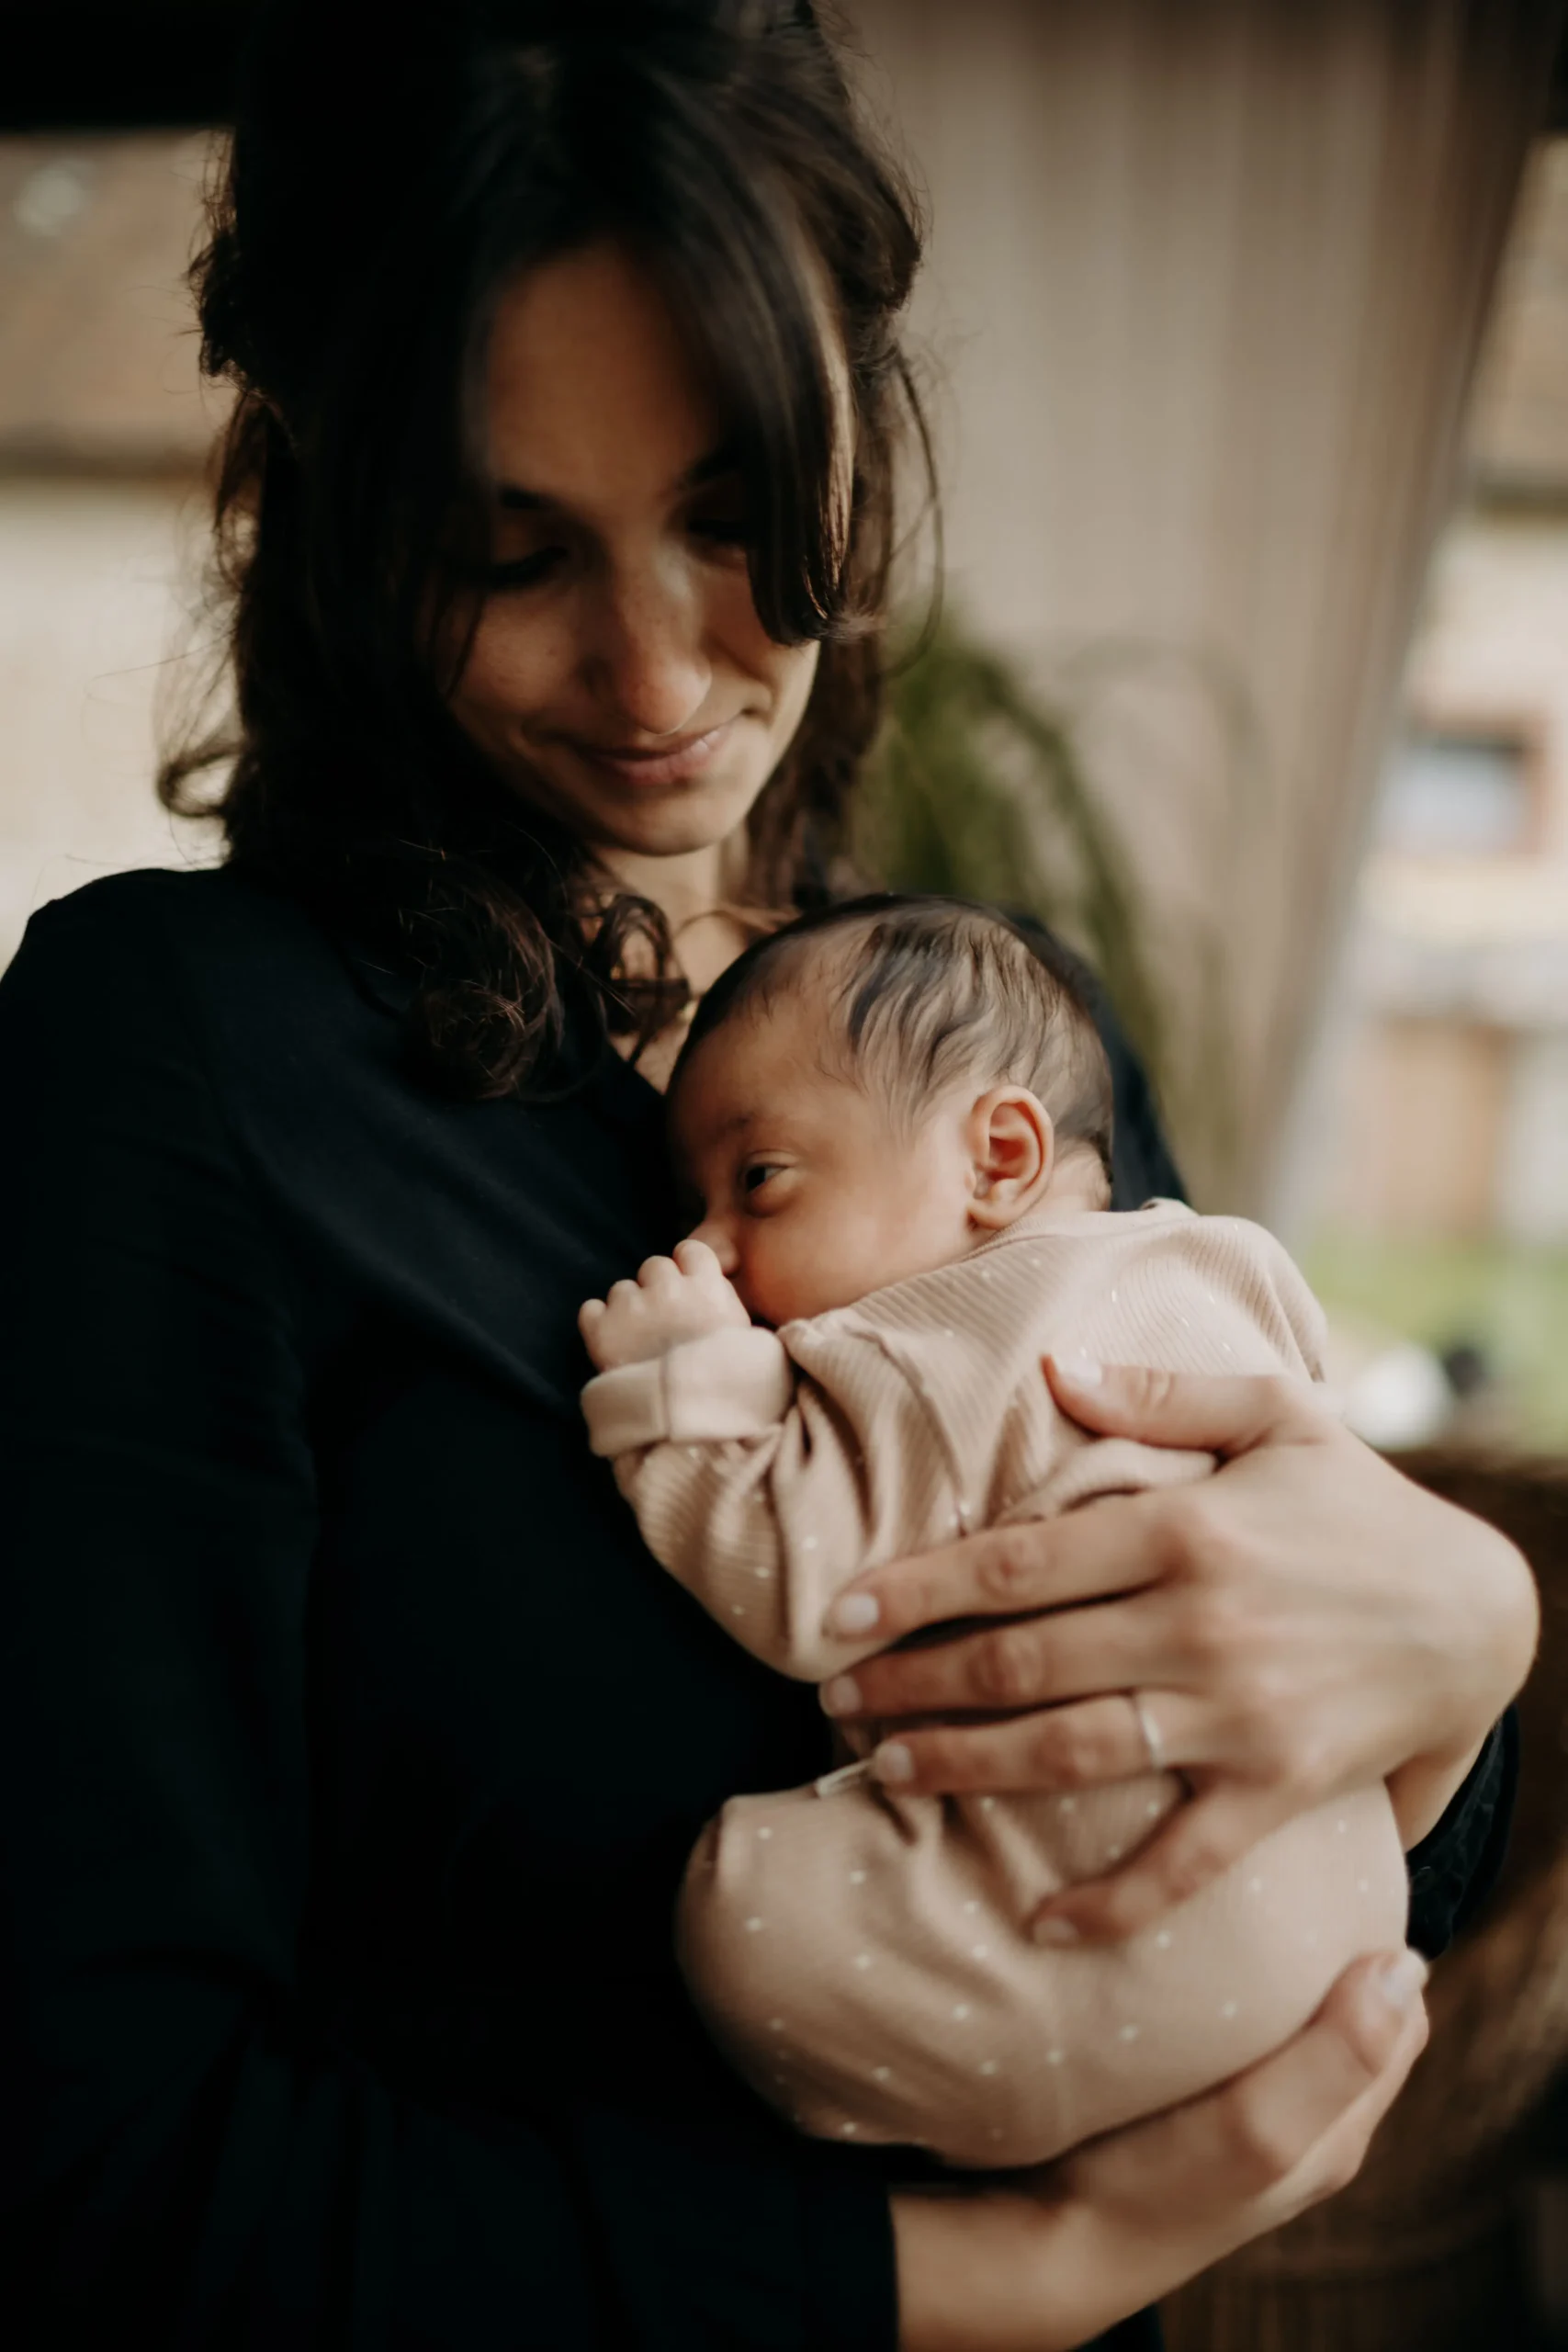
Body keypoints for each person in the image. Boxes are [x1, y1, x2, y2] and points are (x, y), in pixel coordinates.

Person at [0, 4, 1533, 2347]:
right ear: (324, 515)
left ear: (864, 438)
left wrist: (1461, 1653)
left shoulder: (998, 1040)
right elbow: (109, 2160)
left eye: (738, 523)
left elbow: (1344, 1871)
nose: (655, 674)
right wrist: (987, 2273)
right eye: (510, 552)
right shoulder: (165, 1066)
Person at [577, 894, 1409, 2173]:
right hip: (1346, 1922)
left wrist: (686, 1397)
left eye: (759, 1183)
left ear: (998, 1159)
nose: (709, 1250)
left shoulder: (925, 1341)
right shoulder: (1222, 1262)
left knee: (737, 1912)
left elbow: (813, 1599)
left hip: (1107, 1942)